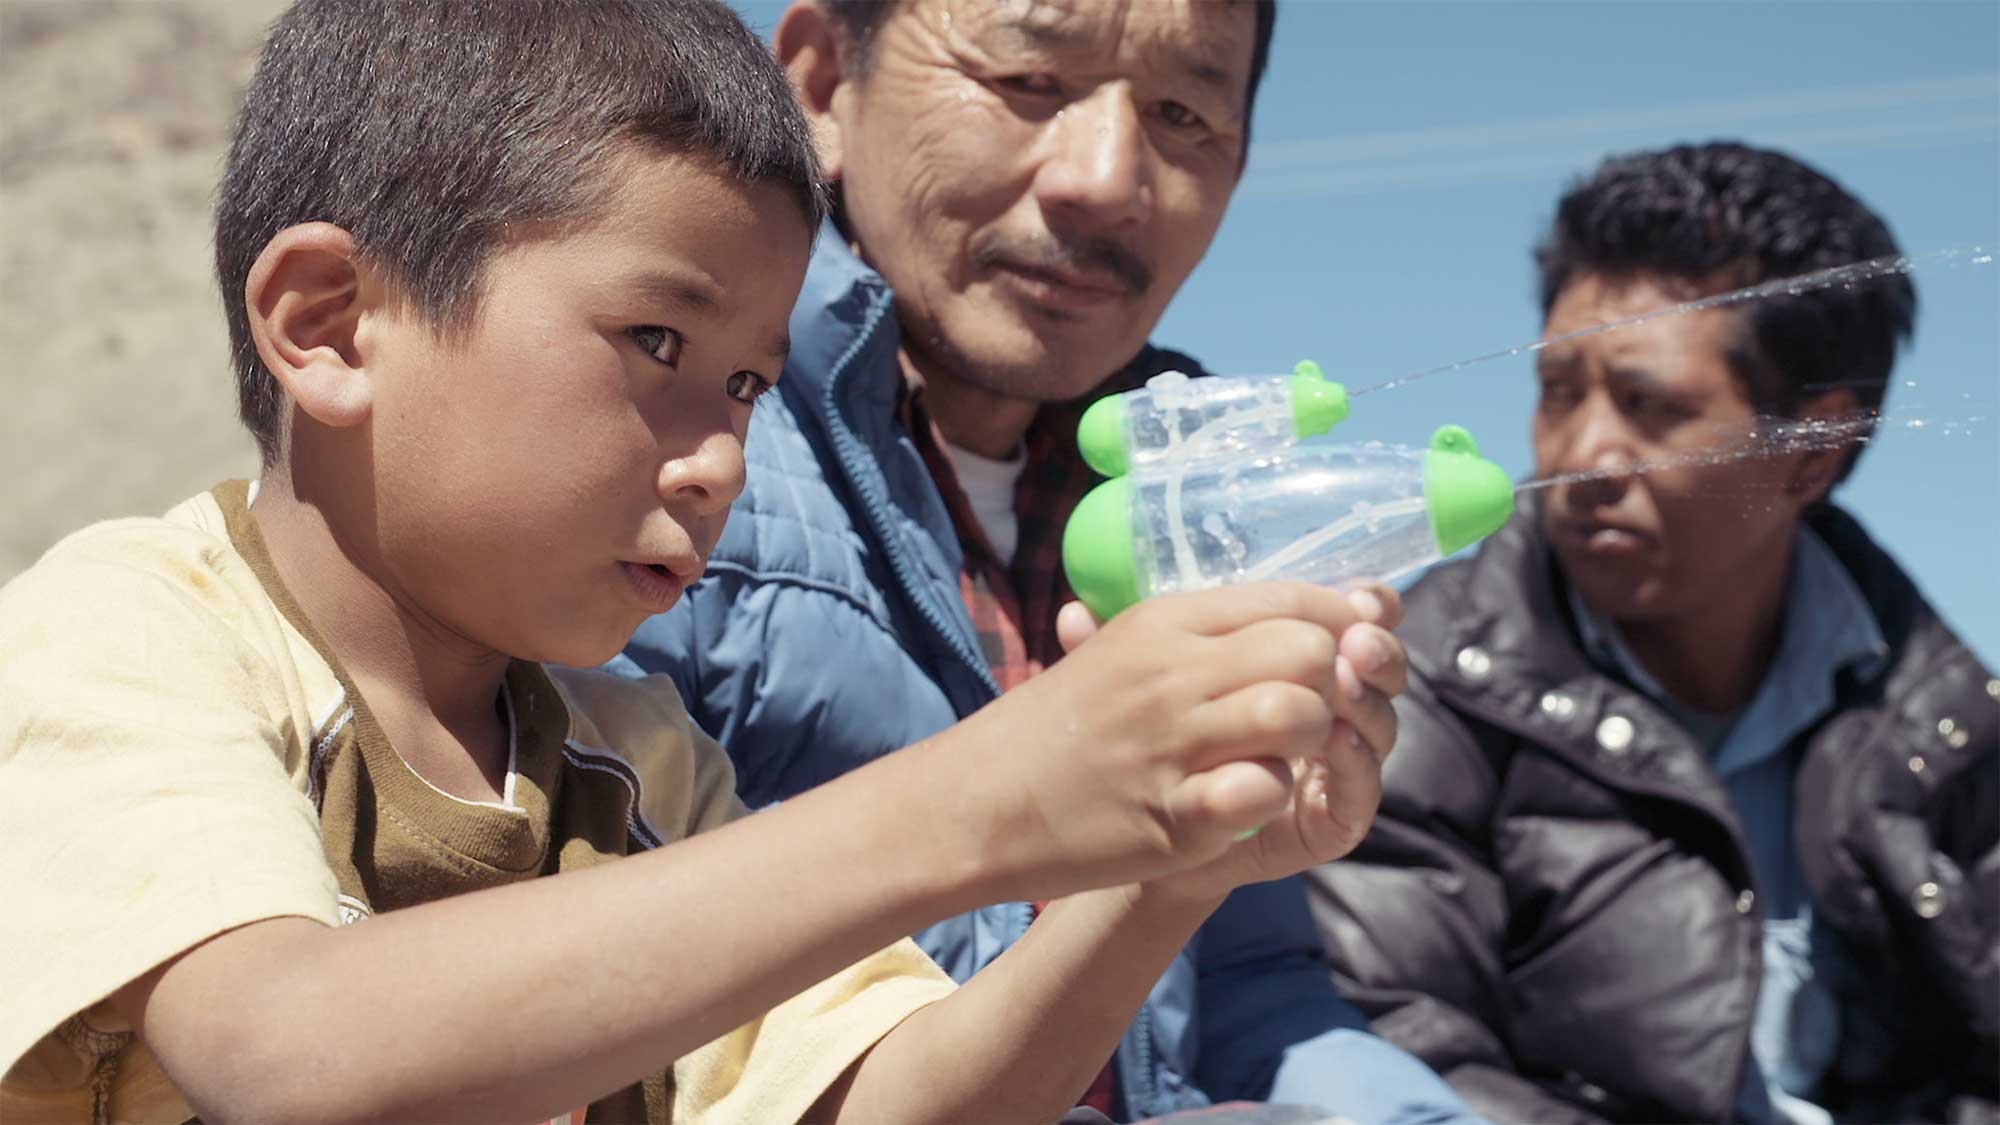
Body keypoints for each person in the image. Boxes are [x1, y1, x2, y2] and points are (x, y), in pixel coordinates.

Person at [0, 2, 1414, 1122]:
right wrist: (992, 794)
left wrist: (1166, 868)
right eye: (658, 347)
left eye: (748, 388)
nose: (719, 459)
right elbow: (291, 1053)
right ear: (329, 324)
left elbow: (887, 1102)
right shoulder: (131, 634)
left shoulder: (639, 756)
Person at [618, 1, 1482, 1122]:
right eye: (1028, 82)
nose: (1106, 176)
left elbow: (1245, 988)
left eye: (1182, 111)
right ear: (824, 86)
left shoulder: (1194, 508)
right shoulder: (663, 473)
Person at [1304, 140, 1998, 1125]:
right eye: (1556, 391)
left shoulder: (1949, 719)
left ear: (1811, 449)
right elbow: (1397, 1050)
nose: (1579, 455)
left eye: (1647, 405)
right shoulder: (1407, 691)